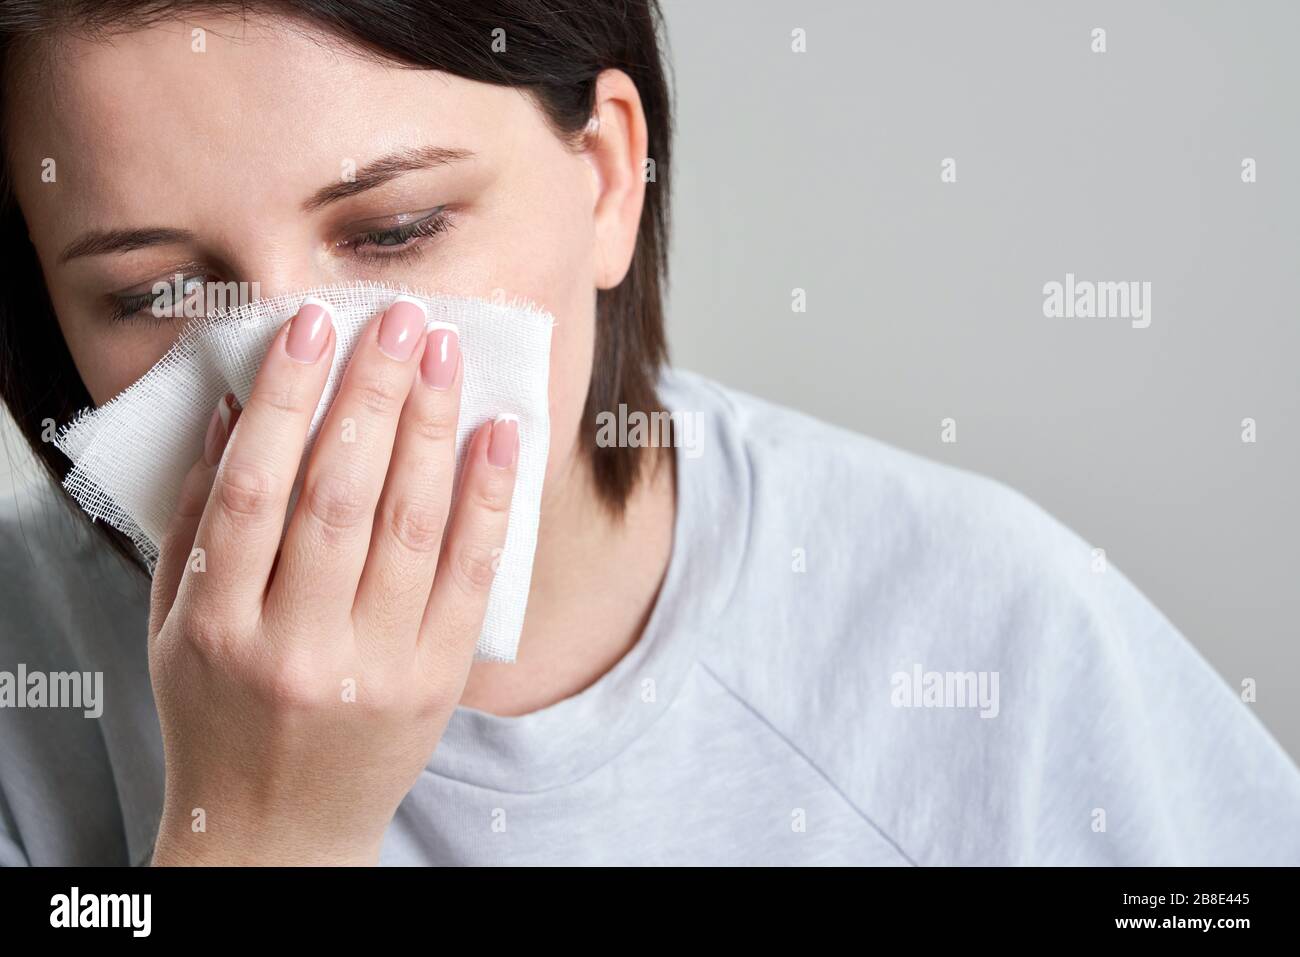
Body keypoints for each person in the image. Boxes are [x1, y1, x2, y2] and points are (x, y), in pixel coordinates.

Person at [1, 0, 1297, 866]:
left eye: (394, 231)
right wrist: (262, 832)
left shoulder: (991, 632)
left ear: (609, 176)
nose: (303, 373)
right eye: (157, 295)